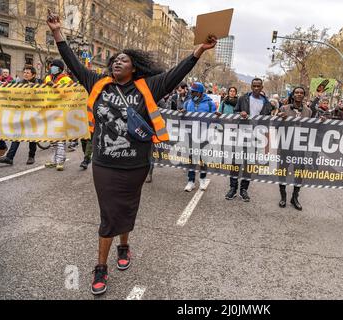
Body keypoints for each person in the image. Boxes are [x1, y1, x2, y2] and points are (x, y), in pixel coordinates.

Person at [47, 10, 216, 296]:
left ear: (134, 67)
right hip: (104, 163)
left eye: (122, 60)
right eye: (114, 61)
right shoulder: (97, 84)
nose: (116, 63)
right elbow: (73, 64)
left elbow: (177, 74)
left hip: (136, 164)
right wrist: (56, 32)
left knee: (126, 207)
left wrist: (198, 50)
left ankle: (124, 245)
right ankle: (101, 266)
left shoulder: (148, 86)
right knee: (108, 213)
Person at [225, 78, 273, 202]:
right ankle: (232, 188)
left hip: (256, 138)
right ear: (251, 87)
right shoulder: (242, 99)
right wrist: (240, 113)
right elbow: (235, 113)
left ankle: (244, 190)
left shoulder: (267, 103)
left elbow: (267, 120)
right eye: (254, 86)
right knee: (236, 162)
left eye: (258, 86)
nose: (256, 88)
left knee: (249, 164)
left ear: (262, 87)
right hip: (241, 135)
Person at [275, 86, 317, 211]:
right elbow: (275, 126)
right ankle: (283, 196)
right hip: (286, 146)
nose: (299, 94)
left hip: (300, 147)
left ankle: (295, 198)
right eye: (296, 92)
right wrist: (280, 119)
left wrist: (321, 122)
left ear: (304, 96)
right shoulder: (284, 108)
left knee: (299, 173)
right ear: (293, 95)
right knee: (282, 171)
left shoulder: (308, 111)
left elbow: (311, 127)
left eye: (301, 93)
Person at [0, 67, 42, 166]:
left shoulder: (39, 83)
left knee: (32, 137)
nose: (25, 74)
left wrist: (35, 88)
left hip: (33, 114)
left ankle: (31, 156)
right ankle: (9, 157)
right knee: (17, 135)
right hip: (21, 114)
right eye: (24, 72)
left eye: (28, 72)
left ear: (33, 75)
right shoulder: (20, 83)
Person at [180, 82, 217, 192]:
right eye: (191, 91)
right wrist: (182, 113)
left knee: (203, 158)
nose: (192, 93)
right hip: (191, 135)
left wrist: (216, 117)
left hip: (205, 135)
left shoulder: (210, 104)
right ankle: (191, 181)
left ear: (200, 93)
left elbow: (215, 120)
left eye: (194, 92)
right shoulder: (187, 103)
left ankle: (202, 179)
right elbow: (183, 119)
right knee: (192, 158)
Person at [44, 59, 74, 171]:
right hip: (49, 111)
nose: (52, 68)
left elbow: (68, 94)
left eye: (54, 66)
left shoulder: (66, 79)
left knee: (60, 138)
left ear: (60, 68)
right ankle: (53, 160)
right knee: (52, 138)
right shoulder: (48, 78)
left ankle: (60, 160)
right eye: (51, 66)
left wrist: (54, 86)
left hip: (62, 111)